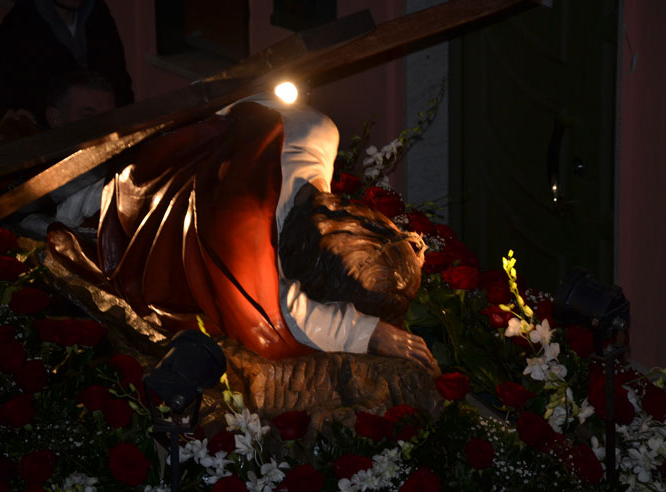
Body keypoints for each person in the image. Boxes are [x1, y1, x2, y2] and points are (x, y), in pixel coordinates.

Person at [47, 95, 438, 372]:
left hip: (158, 165)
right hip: (138, 204)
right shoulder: (251, 237)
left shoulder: (317, 132)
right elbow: (279, 324)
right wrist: (368, 333)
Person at [0, 0, 133, 147]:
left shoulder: (100, 23)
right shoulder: (7, 40)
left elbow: (123, 93)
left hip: (107, 150)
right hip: (46, 159)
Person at [16, 69, 116, 239]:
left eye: (108, 117)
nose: (102, 127)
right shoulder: (25, 170)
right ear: (55, 118)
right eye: (89, 117)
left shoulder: (125, 172)